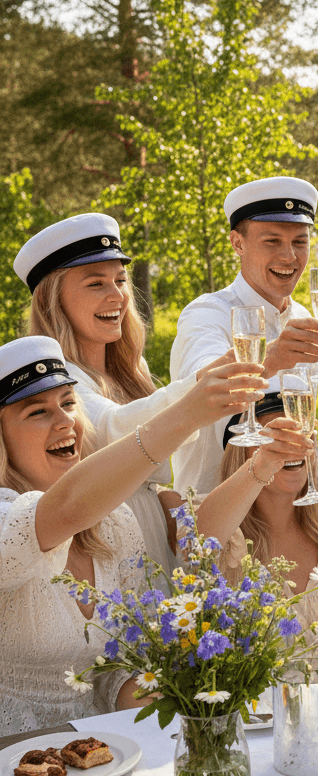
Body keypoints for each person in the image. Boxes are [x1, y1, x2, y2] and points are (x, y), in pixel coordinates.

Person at [0, 335, 260, 737]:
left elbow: (118, 668)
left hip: (107, 750)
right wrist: (185, 415)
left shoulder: (116, 521)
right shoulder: (6, 520)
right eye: (37, 412)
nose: (65, 420)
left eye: (69, 403)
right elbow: (66, 508)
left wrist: (187, 710)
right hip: (14, 761)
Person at [15, 213, 230, 579]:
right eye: (96, 283)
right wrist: (208, 381)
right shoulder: (56, 382)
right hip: (104, 544)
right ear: (55, 300)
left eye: (121, 280)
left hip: (151, 533)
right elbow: (111, 430)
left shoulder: (132, 370)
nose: (117, 295)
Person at [170, 176, 318, 495]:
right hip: (215, 522)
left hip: (291, 519)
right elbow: (203, 390)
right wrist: (268, 359)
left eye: (300, 241)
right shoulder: (207, 314)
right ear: (237, 243)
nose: (290, 256)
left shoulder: (303, 317)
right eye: (272, 241)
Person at [194, 389, 318, 663]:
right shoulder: (227, 539)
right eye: (274, 436)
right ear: (240, 454)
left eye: (299, 432)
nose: (292, 445)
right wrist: (262, 466)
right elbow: (201, 539)